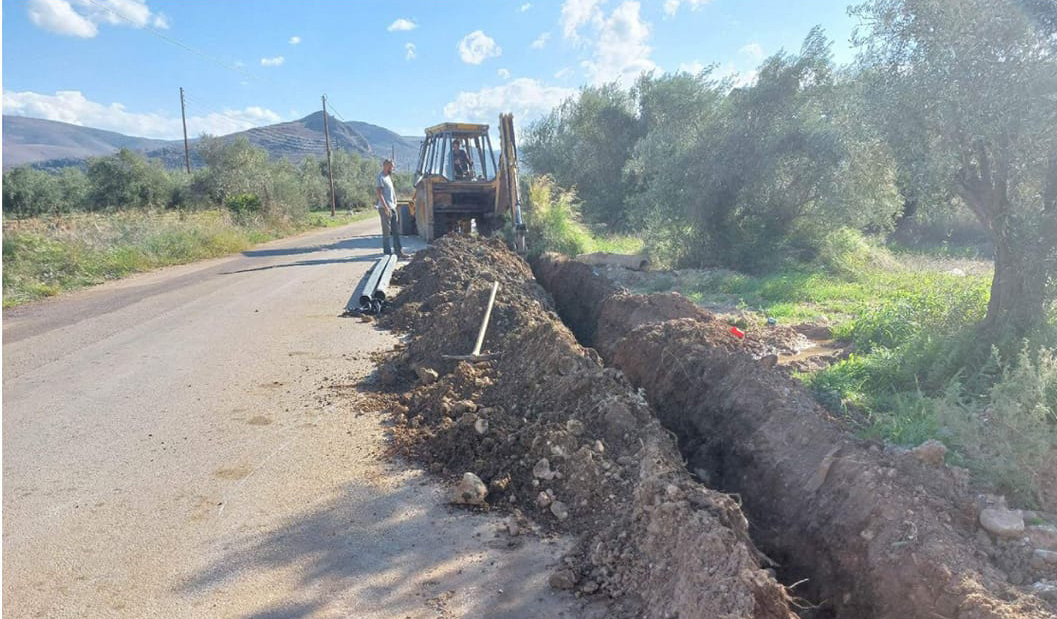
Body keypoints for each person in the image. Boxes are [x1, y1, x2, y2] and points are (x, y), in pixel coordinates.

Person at [376, 159, 404, 258]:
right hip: (385, 208)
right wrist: (386, 207)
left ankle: (399, 251)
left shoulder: (388, 177)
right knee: (386, 232)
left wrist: (394, 204)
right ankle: (387, 253)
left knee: (396, 231)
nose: (393, 168)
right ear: (386, 166)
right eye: (392, 166)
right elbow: (379, 194)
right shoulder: (380, 177)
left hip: (392, 207)